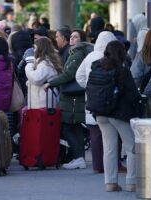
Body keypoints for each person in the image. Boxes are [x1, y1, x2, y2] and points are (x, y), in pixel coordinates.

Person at [92, 40, 138, 192]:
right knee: (131, 146)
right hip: (118, 113)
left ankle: (110, 183)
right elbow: (132, 94)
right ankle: (131, 182)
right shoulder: (122, 71)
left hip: (100, 113)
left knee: (109, 148)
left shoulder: (97, 67)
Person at [45, 29, 92, 169]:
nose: (72, 39)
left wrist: (51, 82)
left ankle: (78, 157)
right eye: (71, 36)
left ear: (81, 39)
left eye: (75, 37)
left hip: (73, 98)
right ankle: (79, 157)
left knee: (68, 126)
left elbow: (69, 74)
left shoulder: (77, 52)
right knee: (74, 126)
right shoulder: (78, 51)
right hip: (75, 97)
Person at [76, 31, 117, 173]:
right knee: (110, 135)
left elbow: (79, 76)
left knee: (94, 135)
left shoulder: (89, 56)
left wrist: (88, 86)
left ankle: (97, 165)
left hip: (91, 98)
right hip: (107, 100)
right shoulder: (112, 57)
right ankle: (111, 165)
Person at [25, 37, 61, 109]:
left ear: (41, 49)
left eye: (35, 48)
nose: (34, 50)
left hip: (43, 102)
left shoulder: (45, 63)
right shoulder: (45, 61)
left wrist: (29, 64)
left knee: (43, 119)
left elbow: (36, 79)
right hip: (42, 100)